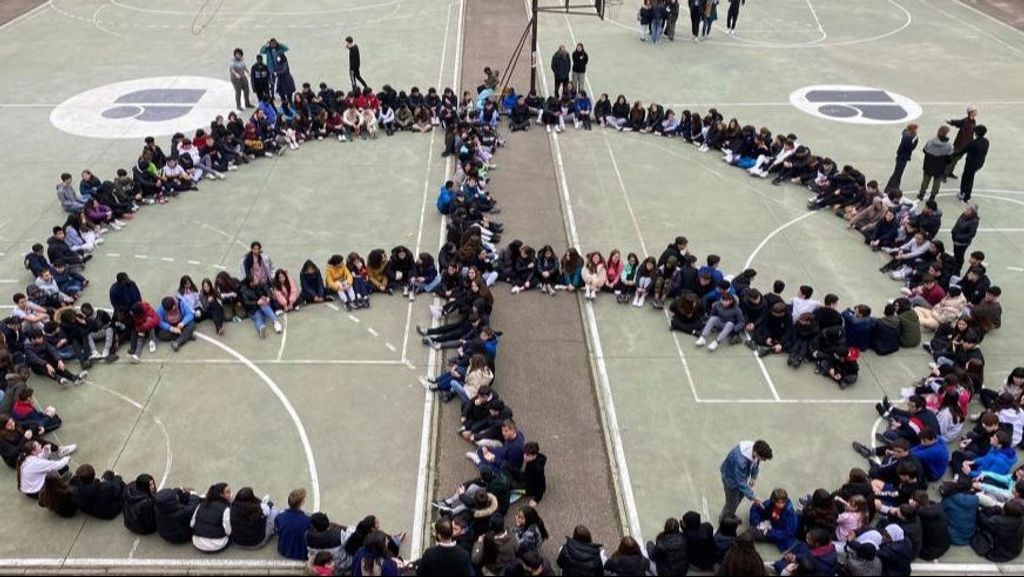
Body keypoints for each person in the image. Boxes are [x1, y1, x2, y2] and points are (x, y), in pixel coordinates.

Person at [719, 440, 772, 523]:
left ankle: (730, 514)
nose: (763, 461)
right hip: (731, 480)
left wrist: (753, 477)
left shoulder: (755, 449)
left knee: (738, 498)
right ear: (755, 453)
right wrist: (754, 497)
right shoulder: (740, 461)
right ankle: (724, 521)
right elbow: (740, 483)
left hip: (740, 477)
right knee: (732, 503)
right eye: (763, 458)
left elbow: (756, 464)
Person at [918, 125, 953, 202]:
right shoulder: (948, 145)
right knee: (937, 182)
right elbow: (949, 158)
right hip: (940, 166)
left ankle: (921, 194)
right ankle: (932, 196)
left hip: (928, 164)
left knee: (925, 180)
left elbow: (924, 150)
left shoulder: (930, 142)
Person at [276, 488, 312, 560]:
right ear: (301, 503)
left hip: (283, 550)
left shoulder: (280, 517)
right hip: (300, 554)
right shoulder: (308, 520)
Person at [956, 124, 989, 202]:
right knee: (970, 178)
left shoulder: (973, 143)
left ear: (976, 133)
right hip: (979, 162)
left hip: (971, 163)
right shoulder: (986, 141)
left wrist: (951, 154)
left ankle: (964, 194)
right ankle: (966, 194)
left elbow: (962, 151)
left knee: (966, 178)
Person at [946, 104, 977, 179]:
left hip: (966, 144)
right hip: (960, 144)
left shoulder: (973, 121)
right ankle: (945, 173)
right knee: (953, 159)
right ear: (971, 112)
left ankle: (949, 172)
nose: (976, 112)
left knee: (956, 159)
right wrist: (951, 122)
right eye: (975, 111)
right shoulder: (965, 121)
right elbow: (958, 122)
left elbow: (972, 132)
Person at [886, 123, 918, 192]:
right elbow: (910, 148)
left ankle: (890, 188)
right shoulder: (908, 138)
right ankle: (894, 188)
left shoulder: (906, 135)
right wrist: (915, 142)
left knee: (896, 173)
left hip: (900, 156)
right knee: (898, 174)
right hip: (903, 157)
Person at [950, 203, 980, 276]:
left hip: (963, 243)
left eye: (968, 209)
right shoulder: (963, 215)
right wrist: (953, 231)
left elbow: (971, 234)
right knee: (956, 254)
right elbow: (957, 224)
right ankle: (955, 266)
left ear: (973, 211)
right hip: (956, 240)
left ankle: (957, 269)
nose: (965, 210)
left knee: (959, 256)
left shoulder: (974, 221)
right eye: (966, 208)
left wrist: (959, 237)